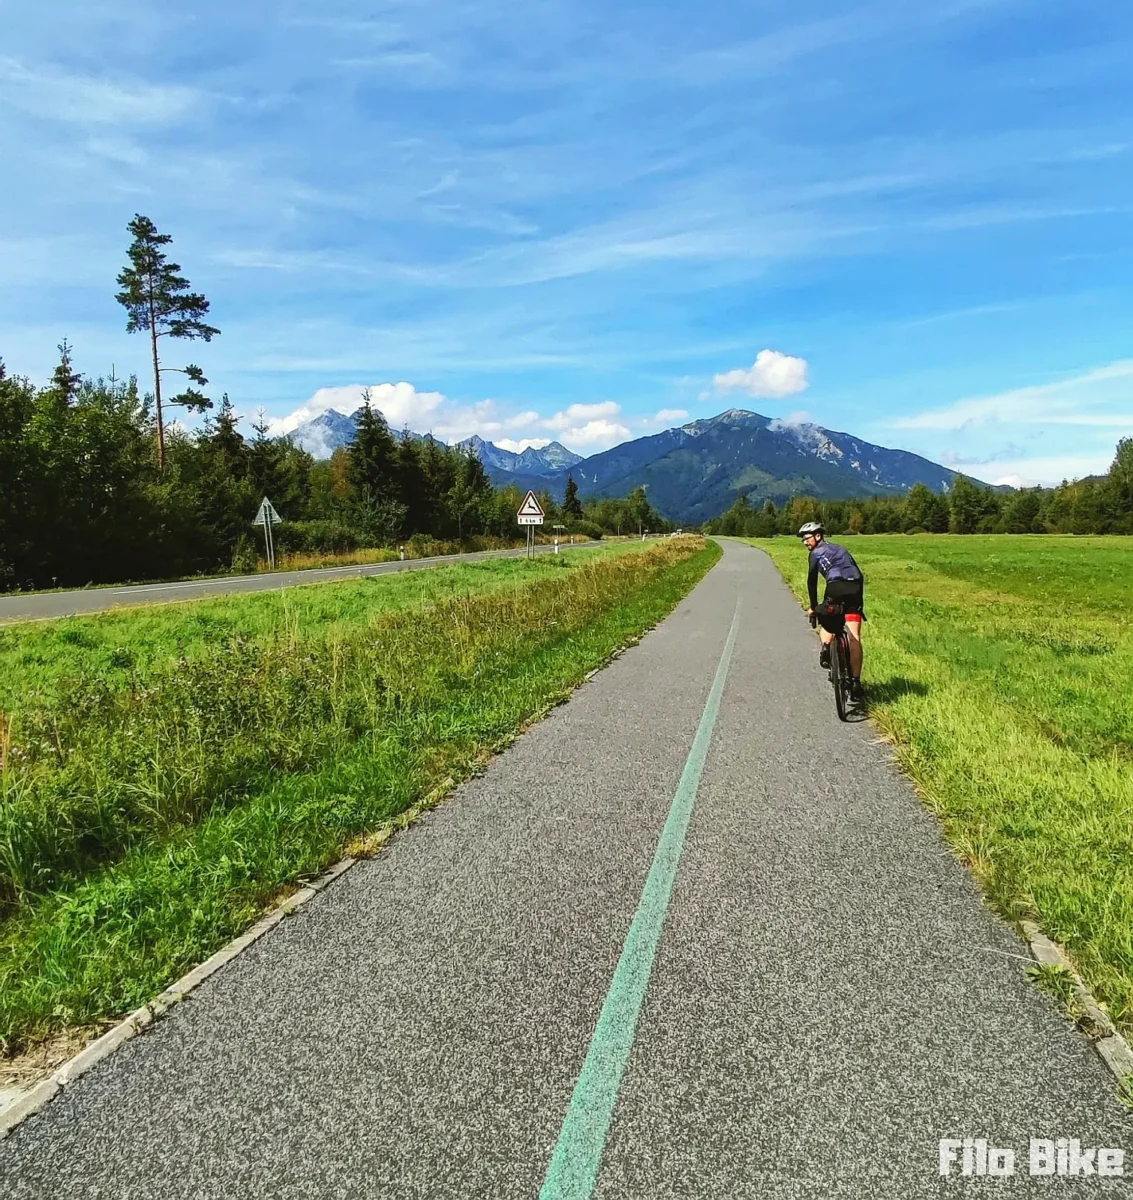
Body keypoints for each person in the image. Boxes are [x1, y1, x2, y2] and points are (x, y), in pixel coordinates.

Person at [797, 521, 865, 700]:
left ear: (818, 536)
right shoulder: (840, 549)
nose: (805, 542)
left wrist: (813, 607)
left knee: (827, 617)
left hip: (835, 586)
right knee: (854, 637)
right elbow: (856, 571)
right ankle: (856, 683)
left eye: (807, 539)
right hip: (856, 586)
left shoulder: (815, 553)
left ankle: (826, 648)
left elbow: (812, 582)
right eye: (803, 540)